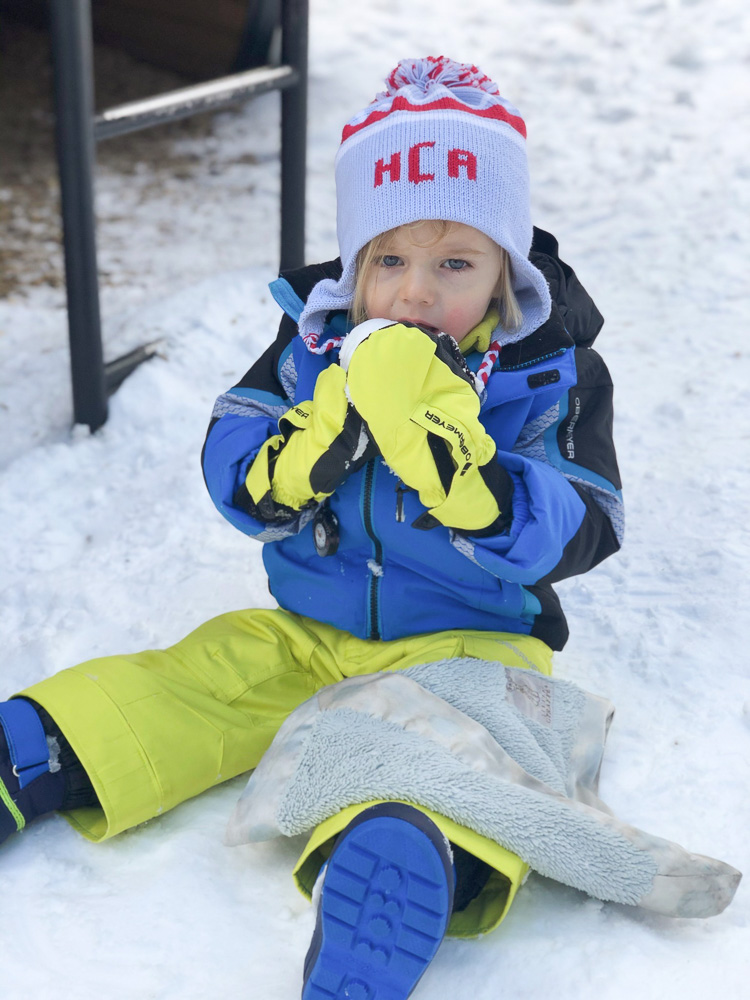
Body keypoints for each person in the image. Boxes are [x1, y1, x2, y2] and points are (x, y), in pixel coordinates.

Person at [0, 57, 623, 999]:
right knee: (193, 681)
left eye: (455, 262)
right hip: (304, 630)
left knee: (471, 752)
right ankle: (40, 746)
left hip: (471, 643)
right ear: (354, 263)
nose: (416, 293)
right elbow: (230, 458)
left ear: (506, 270)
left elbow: (593, 517)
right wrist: (300, 452)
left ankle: (403, 857)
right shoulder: (314, 345)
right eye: (390, 261)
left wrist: (481, 487)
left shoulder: (549, 370)